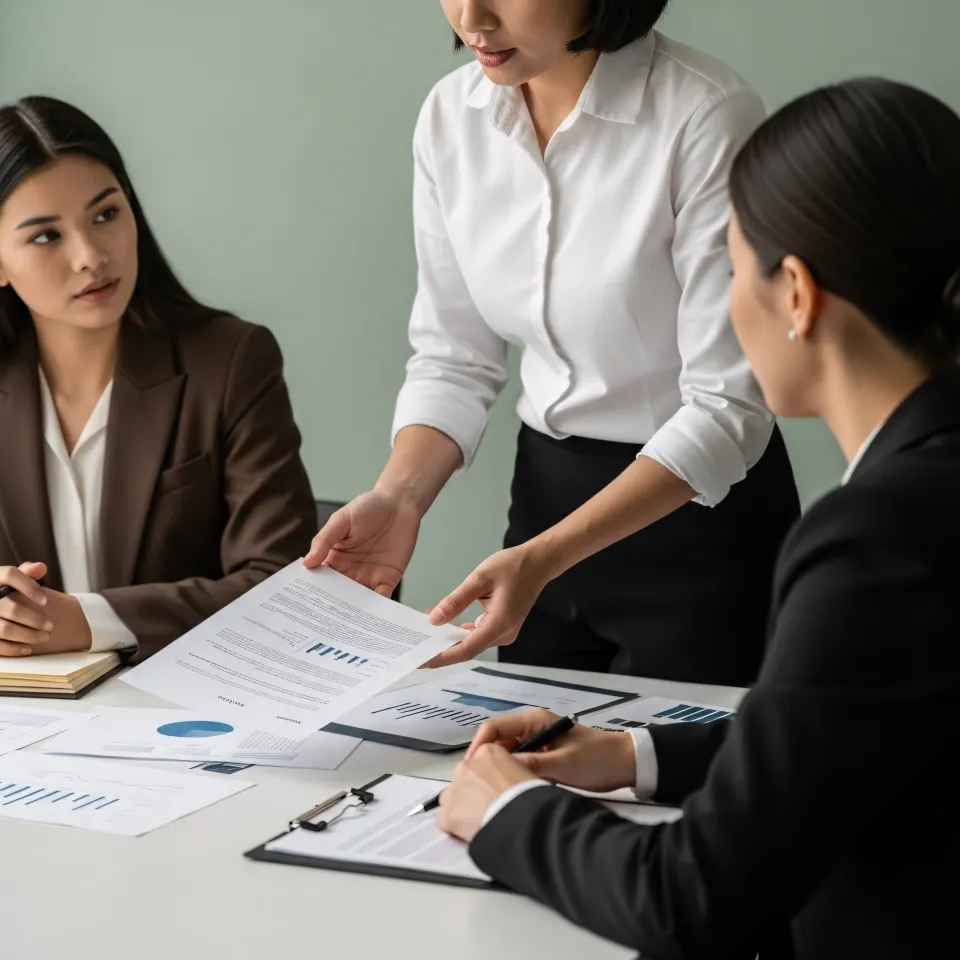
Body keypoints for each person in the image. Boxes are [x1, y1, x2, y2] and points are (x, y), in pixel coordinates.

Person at [437, 77, 960, 959]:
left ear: (794, 293)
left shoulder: (874, 540)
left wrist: (506, 812)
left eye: (726, 262)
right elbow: (844, 736)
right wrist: (630, 754)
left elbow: (693, 898)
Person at [304, 0, 800, 686]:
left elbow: (727, 404)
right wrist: (401, 496)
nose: (471, 17)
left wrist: (548, 555)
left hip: (697, 522)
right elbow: (454, 357)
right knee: (528, 767)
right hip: (543, 503)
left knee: (678, 782)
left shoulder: (705, 113)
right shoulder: (452, 117)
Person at [0, 96, 316, 661]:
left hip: (194, 715)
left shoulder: (231, 361)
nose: (91, 256)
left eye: (106, 214)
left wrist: (88, 621)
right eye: (46, 236)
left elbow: (282, 584)